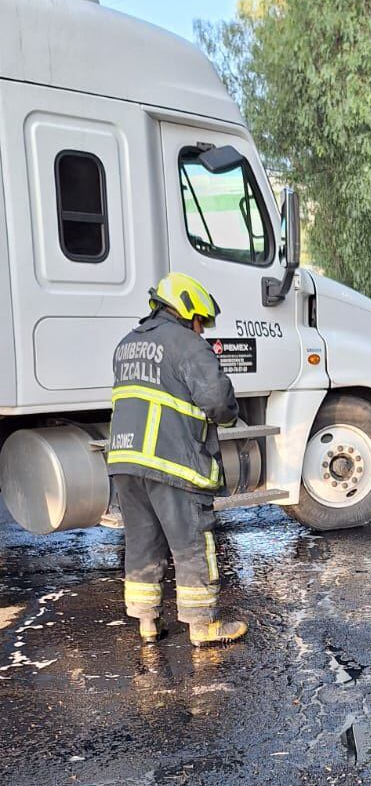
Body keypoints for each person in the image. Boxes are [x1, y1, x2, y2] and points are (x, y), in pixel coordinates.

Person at [107, 272, 248, 647]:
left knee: (142, 543)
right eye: (201, 322)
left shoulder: (126, 344)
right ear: (188, 312)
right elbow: (218, 401)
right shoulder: (186, 344)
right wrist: (229, 416)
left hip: (125, 462)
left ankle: (147, 625)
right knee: (191, 544)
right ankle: (202, 628)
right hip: (172, 462)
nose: (201, 330)